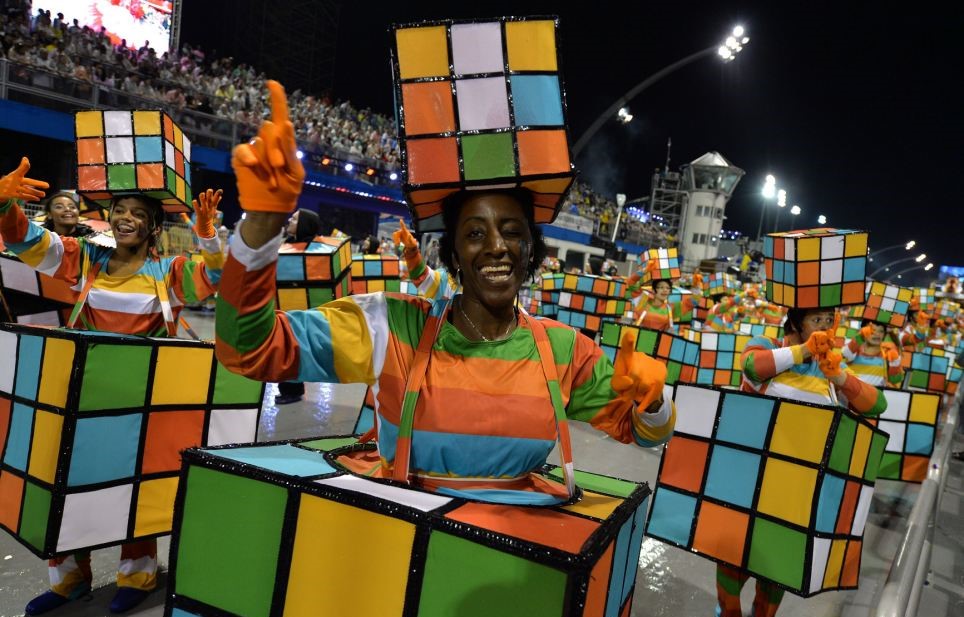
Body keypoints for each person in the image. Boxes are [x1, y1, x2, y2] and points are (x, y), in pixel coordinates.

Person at [216, 81, 675, 506]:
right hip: (400, 546)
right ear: (453, 251)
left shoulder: (566, 351)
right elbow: (250, 350)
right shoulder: (389, 325)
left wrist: (654, 402)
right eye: (475, 233)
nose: (496, 245)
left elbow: (642, 433)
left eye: (512, 231)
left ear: (530, 248)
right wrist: (262, 222)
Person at [0, 158, 224, 614]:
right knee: (64, 481)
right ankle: (68, 580)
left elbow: (218, 276)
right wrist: (4, 202)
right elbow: (24, 240)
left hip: (140, 399)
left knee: (131, 486)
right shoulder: (84, 257)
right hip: (81, 394)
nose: (126, 218)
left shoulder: (173, 272)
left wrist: (207, 235)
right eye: (121, 209)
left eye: (139, 214)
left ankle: (138, 574)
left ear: (154, 226)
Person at [717, 307, 887, 617]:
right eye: (816, 320)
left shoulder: (829, 372)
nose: (825, 327)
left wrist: (840, 376)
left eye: (829, 320)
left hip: (799, 490)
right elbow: (752, 367)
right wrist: (802, 351)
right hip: (751, 478)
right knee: (732, 557)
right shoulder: (768, 345)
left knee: (778, 566)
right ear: (796, 322)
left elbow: (877, 405)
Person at [274, 207, 323, 405]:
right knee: (284, 349)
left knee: (293, 350)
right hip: (284, 308)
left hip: (302, 312)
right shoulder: (288, 245)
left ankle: (292, 390)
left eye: (294, 219)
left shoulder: (315, 250)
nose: (289, 221)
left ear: (303, 224)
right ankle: (289, 388)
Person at [840, 321, 904, 388]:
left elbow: (895, 380)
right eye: (872, 330)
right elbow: (846, 353)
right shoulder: (855, 350)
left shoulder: (887, 353)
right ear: (863, 331)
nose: (877, 334)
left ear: (884, 335)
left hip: (876, 395)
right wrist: (860, 337)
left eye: (881, 331)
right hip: (853, 394)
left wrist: (895, 361)